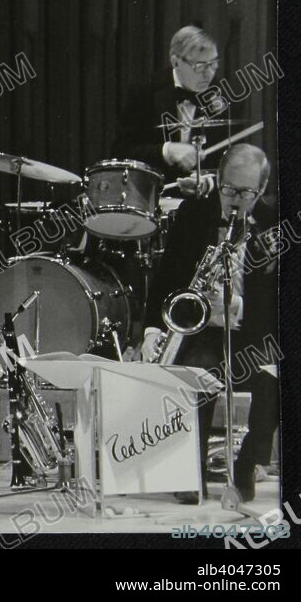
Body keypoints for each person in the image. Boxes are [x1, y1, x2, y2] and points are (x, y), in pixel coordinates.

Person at [141, 144, 278, 503]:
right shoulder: (193, 213)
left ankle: (247, 467)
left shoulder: (276, 223)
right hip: (204, 330)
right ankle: (191, 471)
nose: (234, 200)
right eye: (228, 189)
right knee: (196, 371)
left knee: (276, 378)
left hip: (255, 331)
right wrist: (151, 329)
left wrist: (240, 305)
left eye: (246, 193)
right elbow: (166, 276)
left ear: (261, 191)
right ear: (218, 181)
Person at [112, 26, 227, 197]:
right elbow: (121, 152)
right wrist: (167, 151)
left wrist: (207, 183)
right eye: (200, 66)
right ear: (176, 62)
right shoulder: (145, 92)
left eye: (213, 63)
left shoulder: (224, 94)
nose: (209, 74)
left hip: (205, 204)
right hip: (153, 200)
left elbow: (231, 161)